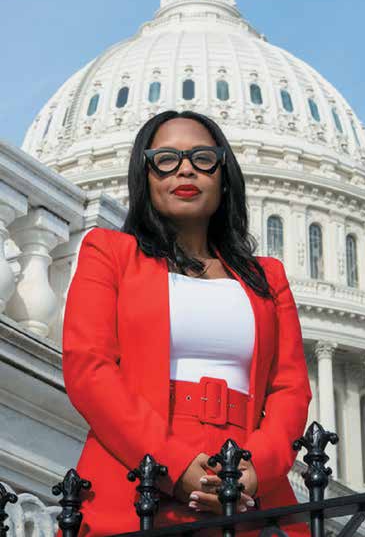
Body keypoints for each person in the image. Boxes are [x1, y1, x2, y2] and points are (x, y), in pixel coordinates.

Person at [59, 110, 312, 537]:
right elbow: (90, 367)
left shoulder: (267, 278)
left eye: (201, 157)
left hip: (247, 478)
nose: (185, 169)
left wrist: (254, 469)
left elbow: (290, 389)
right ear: (146, 176)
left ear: (224, 173)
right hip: (137, 474)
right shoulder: (110, 253)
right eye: (166, 159)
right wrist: (172, 465)